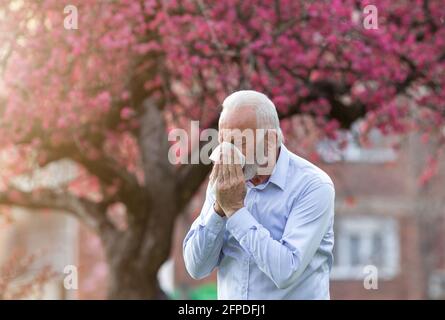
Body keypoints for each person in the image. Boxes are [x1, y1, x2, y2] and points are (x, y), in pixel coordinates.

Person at [183, 90, 335, 299]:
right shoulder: (225, 183)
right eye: (223, 141)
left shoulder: (313, 186)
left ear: (271, 139)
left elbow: (286, 271)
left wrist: (235, 211)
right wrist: (219, 210)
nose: (228, 152)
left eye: (239, 141)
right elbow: (196, 267)